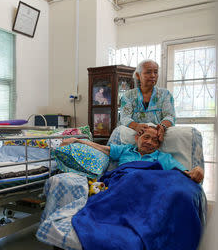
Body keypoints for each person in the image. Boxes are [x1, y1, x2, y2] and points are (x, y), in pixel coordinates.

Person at [62, 126, 204, 183]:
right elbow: (103, 149)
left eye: (155, 141)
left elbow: (184, 173)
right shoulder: (126, 149)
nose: (149, 142)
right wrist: (77, 140)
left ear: (158, 146)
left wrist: (196, 171)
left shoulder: (163, 157)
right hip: (121, 183)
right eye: (146, 137)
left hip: (146, 186)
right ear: (137, 138)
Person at [120, 59, 176, 142]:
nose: (153, 75)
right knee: (118, 132)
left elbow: (170, 116)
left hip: (159, 134)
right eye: (148, 72)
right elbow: (125, 118)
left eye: (156, 72)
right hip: (135, 134)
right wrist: (136, 126)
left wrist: (162, 127)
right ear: (138, 75)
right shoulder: (128, 96)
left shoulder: (165, 94)